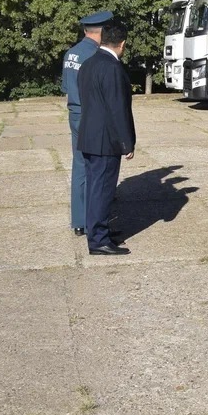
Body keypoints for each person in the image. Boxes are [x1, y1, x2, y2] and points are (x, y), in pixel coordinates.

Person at [77, 21, 136, 255]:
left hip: (90, 136)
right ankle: (99, 240)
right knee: (102, 190)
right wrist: (126, 142)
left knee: (94, 189)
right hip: (106, 140)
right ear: (122, 44)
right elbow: (117, 108)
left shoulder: (89, 63)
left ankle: (98, 231)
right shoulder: (112, 67)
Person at [61, 10, 112, 236]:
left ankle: (79, 220)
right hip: (91, 115)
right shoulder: (95, 55)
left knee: (79, 165)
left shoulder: (71, 53)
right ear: (102, 32)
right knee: (97, 168)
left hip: (75, 113)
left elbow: (66, 88)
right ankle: (95, 220)